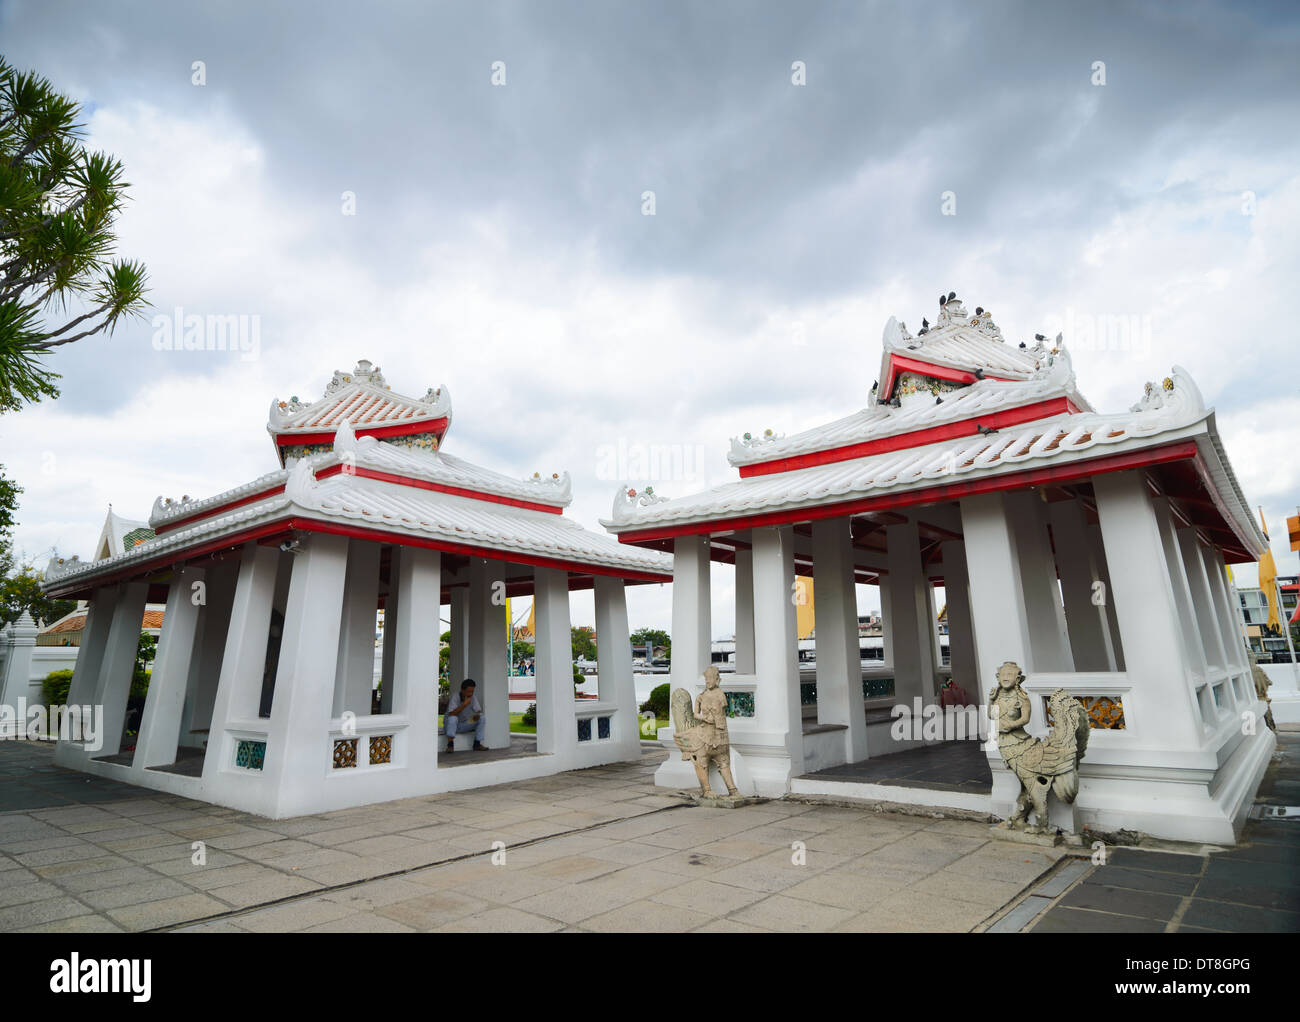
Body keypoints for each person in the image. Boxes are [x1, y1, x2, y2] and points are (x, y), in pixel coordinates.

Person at [445, 678, 486, 753]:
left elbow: (478, 710)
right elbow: (451, 714)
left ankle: (477, 744)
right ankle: (450, 745)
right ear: (462, 690)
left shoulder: (473, 698)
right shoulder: (455, 697)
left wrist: (478, 715)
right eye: (468, 691)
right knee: (453, 718)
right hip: (451, 726)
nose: (470, 694)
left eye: (472, 691)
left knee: (482, 718)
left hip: (464, 724)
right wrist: (464, 704)